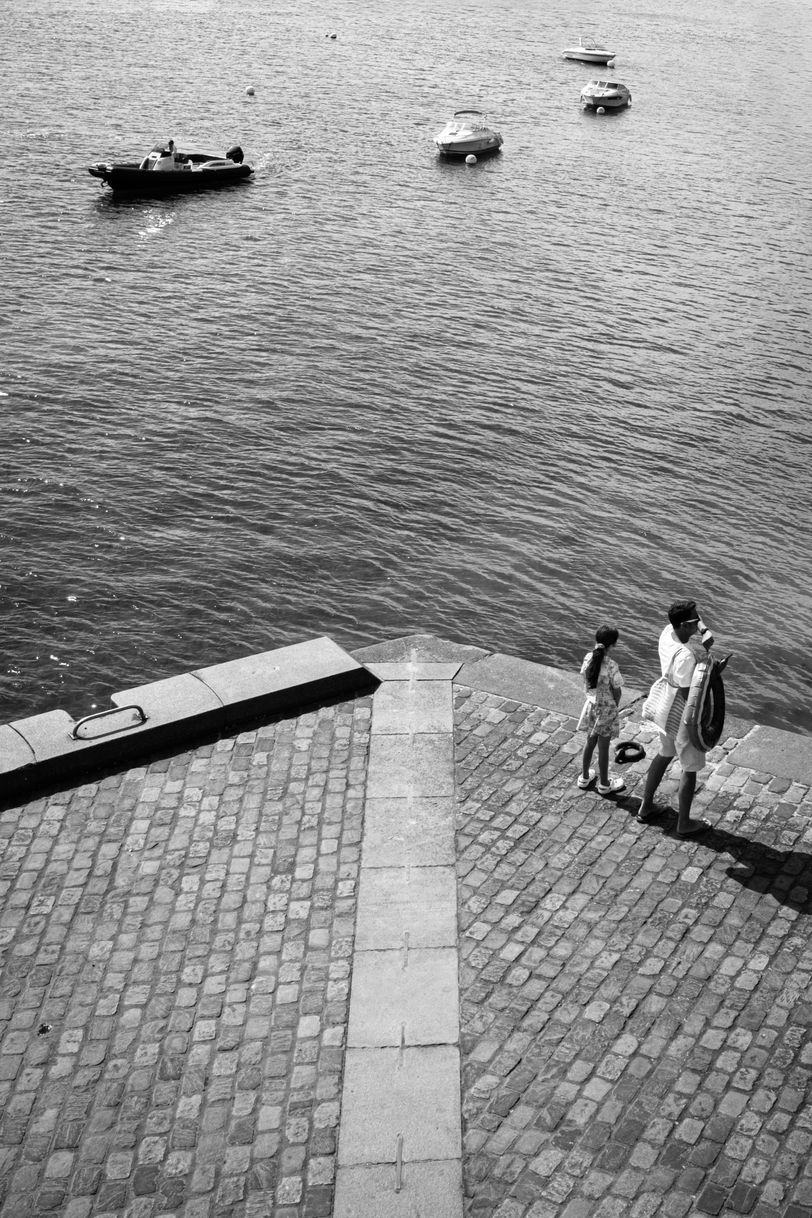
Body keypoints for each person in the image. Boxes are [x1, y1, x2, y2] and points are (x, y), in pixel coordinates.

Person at [637, 599, 716, 835]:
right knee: (690, 767)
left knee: (665, 753)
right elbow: (689, 695)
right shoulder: (686, 657)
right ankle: (684, 823)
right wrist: (712, 674)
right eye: (695, 620)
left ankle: (645, 806)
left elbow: (688, 619)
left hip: (664, 708)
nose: (698, 622)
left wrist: (704, 630)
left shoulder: (667, 633)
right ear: (684, 625)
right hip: (681, 714)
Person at [576, 625, 626, 795]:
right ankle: (604, 784)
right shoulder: (611, 665)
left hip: (591, 706)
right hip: (606, 710)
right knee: (603, 748)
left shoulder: (588, 658)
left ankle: (584, 778)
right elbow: (617, 691)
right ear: (613, 645)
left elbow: (585, 678)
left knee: (590, 742)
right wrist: (614, 706)